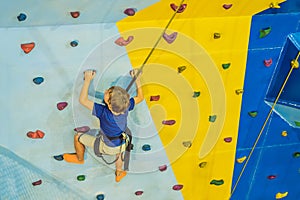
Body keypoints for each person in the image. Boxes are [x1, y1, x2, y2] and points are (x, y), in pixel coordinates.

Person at [63, 69, 144, 182]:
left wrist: (87, 80)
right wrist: (137, 79)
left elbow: (83, 100)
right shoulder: (126, 106)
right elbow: (140, 97)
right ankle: (119, 172)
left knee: (77, 137)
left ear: (110, 106)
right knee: (119, 153)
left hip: (106, 146)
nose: (106, 91)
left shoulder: (103, 111)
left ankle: (79, 158)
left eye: (107, 94)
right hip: (122, 142)